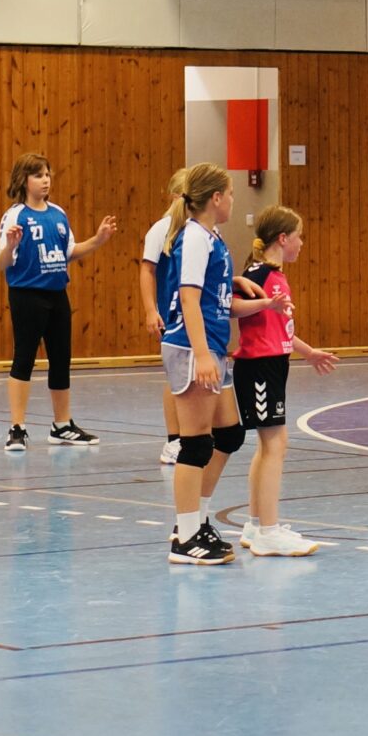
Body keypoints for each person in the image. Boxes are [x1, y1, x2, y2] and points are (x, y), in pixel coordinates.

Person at [232, 206, 341, 555]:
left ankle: (256, 524)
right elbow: (231, 306)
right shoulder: (259, 273)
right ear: (282, 238)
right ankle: (268, 531)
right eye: (298, 236)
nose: (301, 243)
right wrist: (266, 303)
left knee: (270, 445)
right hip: (258, 367)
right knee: (275, 445)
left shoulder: (277, 276)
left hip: (275, 364)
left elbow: (279, 327)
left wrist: (308, 352)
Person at [0, 152, 115, 452]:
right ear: (24, 180)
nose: (45, 180)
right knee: (24, 358)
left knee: (61, 359)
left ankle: (62, 425)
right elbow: (1, 262)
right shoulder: (16, 215)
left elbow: (68, 252)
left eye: (47, 174)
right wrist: (10, 246)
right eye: (38, 175)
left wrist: (97, 240)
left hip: (57, 294)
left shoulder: (58, 214)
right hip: (26, 294)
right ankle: (17, 427)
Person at [158, 162, 246, 566]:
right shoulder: (194, 236)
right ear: (216, 198)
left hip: (209, 344)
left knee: (229, 434)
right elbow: (189, 299)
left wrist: (241, 288)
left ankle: (199, 518)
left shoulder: (212, 236)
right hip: (192, 348)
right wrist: (203, 354)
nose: (233, 201)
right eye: (231, 194)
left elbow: (211, 291)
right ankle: (185, 537)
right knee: (194, 444)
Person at [137, 171, 184, 467]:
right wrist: (150, 310)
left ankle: (194, 434)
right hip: (171, 313)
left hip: (197, 313)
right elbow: (147, 269)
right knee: (175, 376)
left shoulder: (200, 229)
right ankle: (173, 440)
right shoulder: (162, 229)